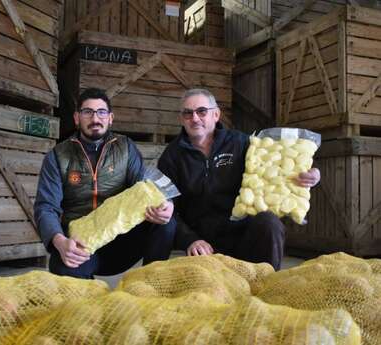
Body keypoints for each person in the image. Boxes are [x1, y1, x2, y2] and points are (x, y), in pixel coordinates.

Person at [158, 89, 320, 270]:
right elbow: (168, 207)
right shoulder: (172, 156)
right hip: (203, 245)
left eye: (202, 111)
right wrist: (190, 240)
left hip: (243, 235)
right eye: (188, 113)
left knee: (269, 222)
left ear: (216, 114)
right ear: (182, 119)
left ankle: (269, 281)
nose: (195, 118)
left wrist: (310, 175)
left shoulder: (241, 143)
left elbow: (276, 170)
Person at [34, 88, 176, 279]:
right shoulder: (57, 156)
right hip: (82, 245)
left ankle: (150, 284)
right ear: (77, 118)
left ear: (110, 118)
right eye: (88, 112)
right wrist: (59, 242)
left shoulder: (126, 147)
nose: (95, 118)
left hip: (121, 241)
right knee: (63, 271)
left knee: (166, 223)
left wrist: (166, 205)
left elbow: (146, 186)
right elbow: (46, 207)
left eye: (101, 112)